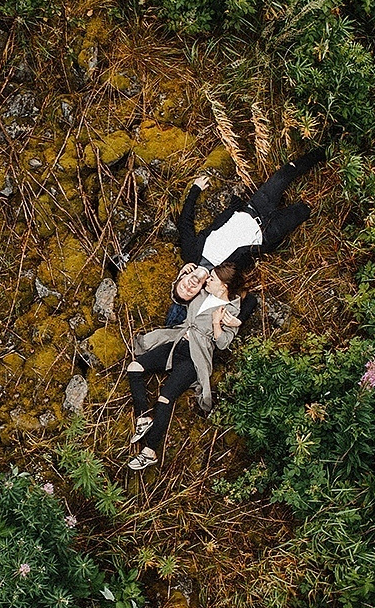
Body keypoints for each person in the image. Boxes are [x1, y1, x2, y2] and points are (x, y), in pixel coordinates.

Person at [167, 148, 324, 326]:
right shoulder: (218, 282)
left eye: (183, 286)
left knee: (284, 174)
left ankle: (323, 151)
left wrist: (195, 190)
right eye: (190, 292)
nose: (189, 286)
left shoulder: (190, 253)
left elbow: (185, 223)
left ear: (181, 277)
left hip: (254, 208)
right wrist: (239, 320)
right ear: (197, 293)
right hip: (267, 234)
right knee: (305, 210)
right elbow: (249, 300)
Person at [125, 262, 245, 470]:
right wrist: (184, 274)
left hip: (194, 357)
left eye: (213, 279)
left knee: (165, 397)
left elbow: (223, 344)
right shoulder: (203, 293)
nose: (208, 280)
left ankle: (149, 451)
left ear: (224, 286)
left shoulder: (231, 310)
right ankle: (143, 417)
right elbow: (180, 296)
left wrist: (217, 323)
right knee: (134, 368)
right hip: (177, 343)